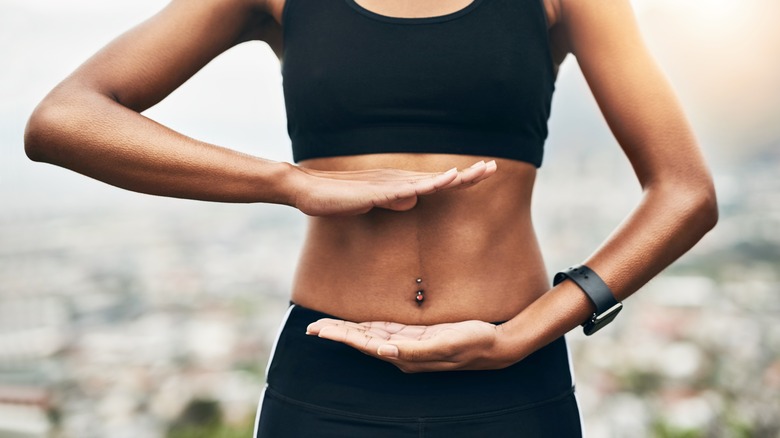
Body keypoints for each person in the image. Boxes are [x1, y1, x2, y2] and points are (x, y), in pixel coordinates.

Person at [24, 0, 718, 436]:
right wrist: (287, 182)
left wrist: (525, 335)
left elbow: (684, 192)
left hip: (513, 382)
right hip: (328, 381)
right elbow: (64, 120)